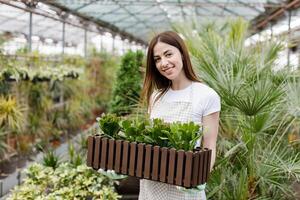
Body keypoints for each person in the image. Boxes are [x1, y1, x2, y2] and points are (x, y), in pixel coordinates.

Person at [139, 31, 221, 200]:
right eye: (157, 59)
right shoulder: (156, 96)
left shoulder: (206, 95)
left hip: (185, 188)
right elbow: (151, 143)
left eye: (168, 54)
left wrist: (199, 179)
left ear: (182, 54)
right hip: (152, 186)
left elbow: (210, 146)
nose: (164, 63)